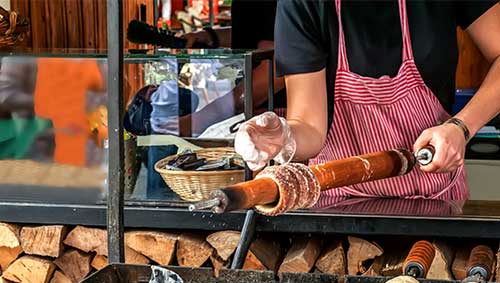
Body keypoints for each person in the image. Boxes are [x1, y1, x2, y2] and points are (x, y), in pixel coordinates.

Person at [235, 0, 500, 201]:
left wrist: (461, 127)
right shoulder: (303, 4)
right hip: (339, 208)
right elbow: (309, 127)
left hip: (435, 202)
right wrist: (283, 137)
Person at [177, 0, 285, 136]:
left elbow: (283, 60)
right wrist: (209, 37)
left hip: (280, 117)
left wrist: (200, 119)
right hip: (254, 112)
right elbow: (254, 32)